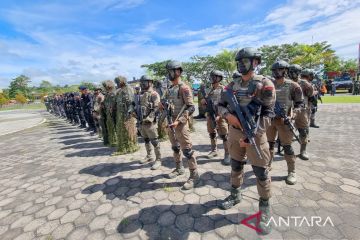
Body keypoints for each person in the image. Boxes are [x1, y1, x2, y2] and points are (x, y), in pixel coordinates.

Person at [217, 47, 275, 234]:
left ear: (256, 62)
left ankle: (264, 210)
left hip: (255, 135)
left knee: (261, 172)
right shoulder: (231, 86)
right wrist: (228, 116)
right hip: (234, 132)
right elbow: (219, 106)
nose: (241, 65)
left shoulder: (265, 84)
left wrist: (254, 134)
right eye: (239, 62)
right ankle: (235, 195)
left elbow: (268, 113)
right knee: (235, 165)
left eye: (246, 61)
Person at [162, 60, 199, 190]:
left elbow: (191, 107)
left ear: (178, 71)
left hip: (180, 123)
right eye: (168, 71)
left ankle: (194, 175)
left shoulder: (184, 87)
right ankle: (179, 168)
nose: (169, 74)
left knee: (187, 150)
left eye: (171, 71)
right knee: (175, 147)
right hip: (171, 122)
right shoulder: (170, 88)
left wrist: (180, 120)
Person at [267, 60, 303, 186]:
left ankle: (291, 171)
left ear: (286, 71)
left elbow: (299, 104)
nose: (277, 72)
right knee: (269, 145)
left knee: (287, 146)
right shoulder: (269, 84)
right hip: (270, 120)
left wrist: (293, 115)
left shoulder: (293, 85)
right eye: (275, 70)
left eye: (280, 69)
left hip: (284, 121)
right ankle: (268, 165)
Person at [201, 70, 230, 165]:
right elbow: (206, 103)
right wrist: (203, 103)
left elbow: (227, 104)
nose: (212, 79)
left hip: (221, 116)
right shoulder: (209, 89)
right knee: (212, 133)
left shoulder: (223, 89)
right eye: (211, 77)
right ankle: (214, 150)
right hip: (210, 114)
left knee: (224, 135)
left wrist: (220, 115)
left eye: (214, 77)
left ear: (219, 78)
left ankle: (227, 154)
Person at [289, 64, 313, 161]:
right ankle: (288, 150)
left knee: (303, 131)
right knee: (286, 131)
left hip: (301, 110)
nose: (292, 73)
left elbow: (310, 94)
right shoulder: (286, 82)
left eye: (294, 71)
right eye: (291, 71)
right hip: (288, 110)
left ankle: (303, 150)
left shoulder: (304, 83)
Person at [137, 75, 162, 170]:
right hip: (141, 121)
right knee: (146, 139)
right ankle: (149, 156)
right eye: (142, 82)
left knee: (154, 141)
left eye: (144, 82)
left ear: (150, 83)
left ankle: (158, 159)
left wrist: (149, 118)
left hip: (150, 122)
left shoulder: (154, 94)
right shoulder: (141, 94)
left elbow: (157, 107)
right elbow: (136, 104)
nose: (142, 84)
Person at [114, 76, 139, 154]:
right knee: (123, 131)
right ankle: (125, 146)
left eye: (118, 82)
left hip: (127, 114)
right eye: (116, 82)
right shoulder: (119, 91)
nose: (117, 84)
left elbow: (132, 102)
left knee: (130, 130)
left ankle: (132, 145)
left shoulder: (129, 89)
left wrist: (129, 113)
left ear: (122, 81)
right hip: (120, 114)